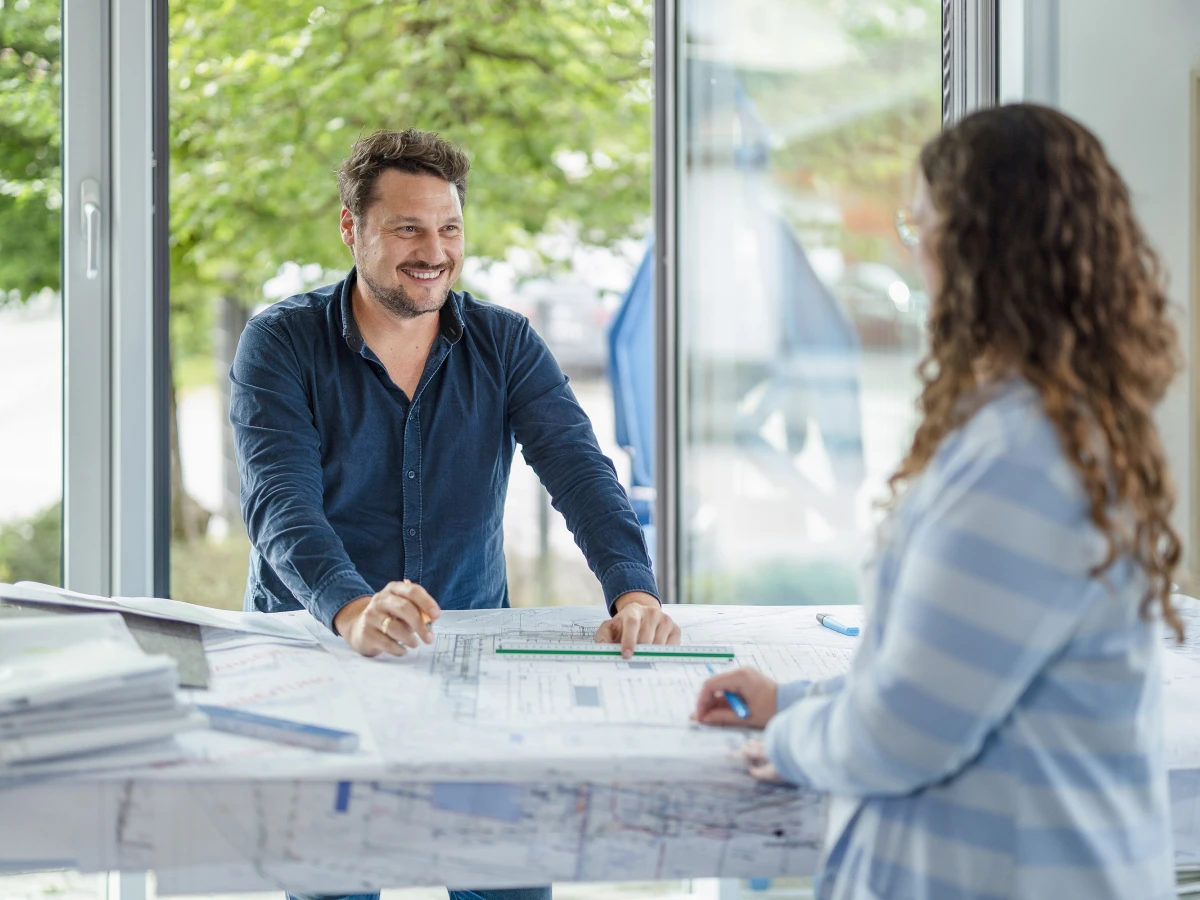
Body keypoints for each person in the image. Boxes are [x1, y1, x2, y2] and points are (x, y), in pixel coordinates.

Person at [694, 104, 1182, 899]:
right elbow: (949, 667)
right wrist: (792, 700)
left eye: (918, 224)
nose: (910, 248)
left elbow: (905, 731)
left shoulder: (1025, 459)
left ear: (977, 247)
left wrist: (793, 740)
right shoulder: (1039, 426)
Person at [230, 128, 680, 900]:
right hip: (319, 652)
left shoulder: (505, 344)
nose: (433, 250)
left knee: (506, 877)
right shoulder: (281, 343)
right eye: (407, 227)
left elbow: (580, 473)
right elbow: (280, 503)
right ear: (352, 229)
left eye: (449, 228)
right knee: (335, 882)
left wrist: (633, 591)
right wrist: (352, 606)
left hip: (466, 655)